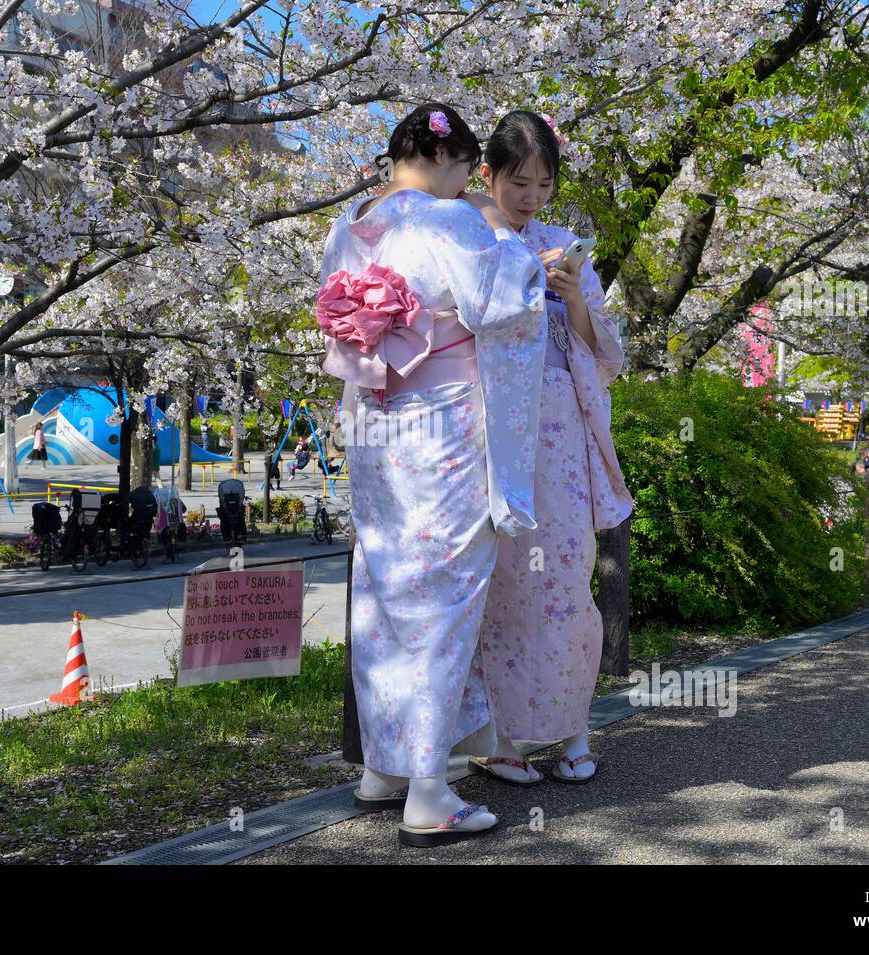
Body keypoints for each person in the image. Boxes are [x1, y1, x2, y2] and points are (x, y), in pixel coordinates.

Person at [318, 102, 546, 845]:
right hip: (441, 424)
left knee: (385, 587)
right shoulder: (445, 220)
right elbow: (502, 301)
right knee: (446, 593)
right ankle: (429, 788)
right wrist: (500, 230)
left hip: (375, 420)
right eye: (468, 171)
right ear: (452, 160)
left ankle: (383, 768)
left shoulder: (353, 221)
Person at [465, 111, 632, 786]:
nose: (531, 197)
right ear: (488, 176)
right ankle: (500, 739)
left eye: (542, 184)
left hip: (560, 435)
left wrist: (574, 302)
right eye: (517, 182)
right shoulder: (470, 241)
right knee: (502, 585)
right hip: (495, 434)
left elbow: (608, 357)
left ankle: (572, 729)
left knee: (566, 581)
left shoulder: (567, 246)